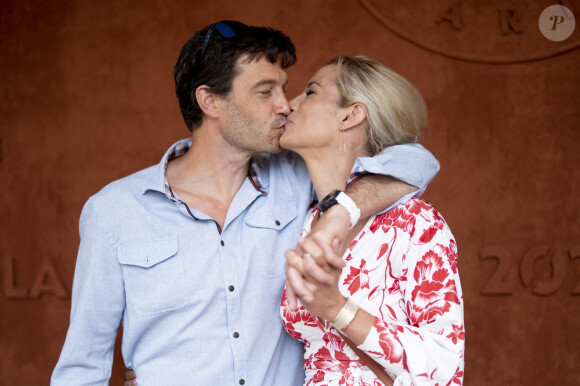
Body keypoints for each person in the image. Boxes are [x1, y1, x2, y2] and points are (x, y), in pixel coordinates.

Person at [51, 21, 440, 386]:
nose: (285, 105)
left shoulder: (299, 178)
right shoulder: (114, 211)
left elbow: (416, 161)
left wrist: (341, 211)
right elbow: (82, 366)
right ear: (209, 101)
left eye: (283, 88)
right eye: (264, 91)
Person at [280, 55, 465, 385]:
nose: (290, 104)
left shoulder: (414, 224)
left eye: (310, 92)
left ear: (351, 115)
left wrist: (337, 308)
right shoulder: (304, 221)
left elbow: (446, 366)